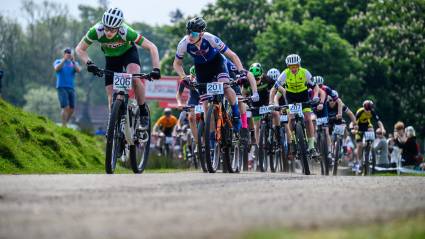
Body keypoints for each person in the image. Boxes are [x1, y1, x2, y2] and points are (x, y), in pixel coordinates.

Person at [75, 7, 161, 130]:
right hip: (111, 59)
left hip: (128, 54)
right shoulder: (96, 31)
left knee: (135, 79)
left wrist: (156, 68)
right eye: (106, 28)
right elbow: (79, 49)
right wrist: (89, 63)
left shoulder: (126, 32)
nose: (108, 32)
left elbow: (152, 47)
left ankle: (143, 112)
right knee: (111, 95)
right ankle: (113, 124)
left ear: (119, 27)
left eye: (112, 29)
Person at [173, 17, 248, 133]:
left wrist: (241, 71)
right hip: (201, 68)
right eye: (188, 32)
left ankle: (236, 115)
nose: (190, 36)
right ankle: (211, 142)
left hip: (217, 64)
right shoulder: (184, 43)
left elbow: (232, 55)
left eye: (193, 33)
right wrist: (184, 77)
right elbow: (177, 64)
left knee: (225, 86)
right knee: (207, 107)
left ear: (201, 33)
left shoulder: (210, 38)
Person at [270, 54, 320, 155]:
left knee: (308, 118)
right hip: (290, 97)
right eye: (291, 66)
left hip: (303, 95)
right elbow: (274, 89)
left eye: (295, 66)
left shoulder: (305, 72)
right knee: (291, 118)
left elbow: (315, 87)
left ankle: (311, 146)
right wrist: (271, 102)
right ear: (288, 67)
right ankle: (292, 141)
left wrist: (315, 96)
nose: (293, 69)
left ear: (299, 65)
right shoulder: (284, 74)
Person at [354, 100, 386, 169]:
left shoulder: (372, 111)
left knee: (371, 129)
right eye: (367, 110)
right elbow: (353, 121)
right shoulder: (360, 111)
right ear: (363, 108)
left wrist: (382, 129)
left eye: (370, 109)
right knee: (359, 145)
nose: (368, 111)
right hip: (358, 126)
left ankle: (371, 150)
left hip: (367, 125)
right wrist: (353, 129)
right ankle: (359, 162)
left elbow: (379, 121)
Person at [54, 48, 81, 127]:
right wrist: (64, 60)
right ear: (64, 54)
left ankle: (65, 123)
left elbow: (78, 70)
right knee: (65, 107)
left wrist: (73, 61)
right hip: (61, 86)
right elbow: (56, 69)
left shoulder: (74, 63)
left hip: (71, 87)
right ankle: (64, 125)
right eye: (66, 53)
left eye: (69, 53)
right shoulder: (58, 61)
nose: (68, 54)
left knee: (72, 109)